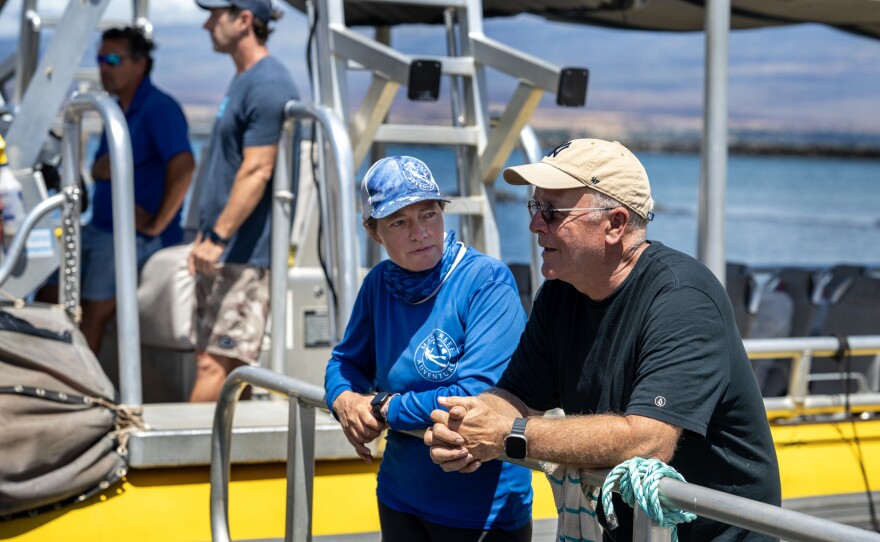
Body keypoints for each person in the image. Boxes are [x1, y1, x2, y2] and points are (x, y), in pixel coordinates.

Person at [424, 138, 782, 541]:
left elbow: (647, 440)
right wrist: (465, 422)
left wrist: (507, 435)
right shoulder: (561, 292)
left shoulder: (684, 300)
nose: (535, 224)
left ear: (614, 224)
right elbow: (517, 396)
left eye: (552, 211)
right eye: (534, 207)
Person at [324, 156, 533, 542]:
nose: (420, 232)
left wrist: (384, 408)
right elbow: (345, 361)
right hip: (399, 498)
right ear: (374, 233)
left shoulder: (486, 281)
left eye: (429, 213)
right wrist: (345, 401)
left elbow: (477, 396)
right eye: (399, 222)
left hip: (481, 512)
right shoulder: (378, 284)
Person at [189, 0, 299, 402]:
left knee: (216, 366)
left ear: (244, 21)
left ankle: (191, 462)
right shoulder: (244, 79)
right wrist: (205, 237)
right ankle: (225, 462)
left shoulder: (268, 84)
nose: (207, 24)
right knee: (222, 364)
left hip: (244, 253)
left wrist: (217, 237)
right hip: (224, 249)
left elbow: (258, 170)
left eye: (215, 15)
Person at [78, 27, 195, 354]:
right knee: (49, 290)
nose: (104, 67)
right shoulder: (116, 110)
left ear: (140, 64)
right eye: (100, 59)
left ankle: (80, 395)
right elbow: (107, 167)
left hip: (132, 237)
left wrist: (157, 224)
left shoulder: (159, 108)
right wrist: (96, 170)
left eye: (113, 59)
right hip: (100, 228)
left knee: (92, 310)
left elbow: (184, 165)